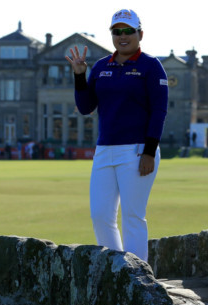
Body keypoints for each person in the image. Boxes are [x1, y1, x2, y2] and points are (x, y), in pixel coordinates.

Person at [66, 9, 168, 262]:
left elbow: (159, 111)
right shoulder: (101, 66)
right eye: (116, 31)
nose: (122, 36)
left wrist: (149, 151)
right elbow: (86, 107)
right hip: (105, 150)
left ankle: (138, 281)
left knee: (133, 216)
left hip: (137, 150)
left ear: (140, 34)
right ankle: (117, 272)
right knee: (101, 215)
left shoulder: (151, 66)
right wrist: (80, 76)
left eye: (128, 31)